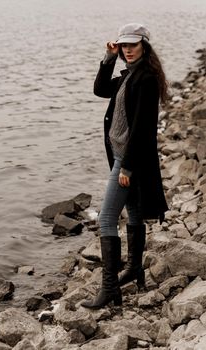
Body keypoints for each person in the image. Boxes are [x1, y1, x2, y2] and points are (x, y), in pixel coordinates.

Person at [81, 23, 169, 309]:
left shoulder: (145, 79)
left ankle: (110, 289)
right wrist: (108, 58)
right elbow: (99, 90)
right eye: (123, 45)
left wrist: (127, 169)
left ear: (144, 45)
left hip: (128, 159)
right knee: (132, 210)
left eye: (132, 44)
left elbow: (143, 129)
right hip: (124, 156)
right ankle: (134, 269)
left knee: (106, 218)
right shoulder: (127, 77)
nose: (128, 50)